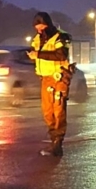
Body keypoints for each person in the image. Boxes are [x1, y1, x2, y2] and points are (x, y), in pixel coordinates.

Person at [27, 12, 73, 157]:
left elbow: (61, 55)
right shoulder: (37, 39)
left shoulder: (60, 36)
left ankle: (58, 142)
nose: (40, 31)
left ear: (48, 24)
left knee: (58, 110)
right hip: (46, 78)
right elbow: (38, 57)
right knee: (47, 111)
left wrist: (38, 55)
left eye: (42, 27)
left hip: (59, 76)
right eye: (37, 28)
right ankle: (54, 140)